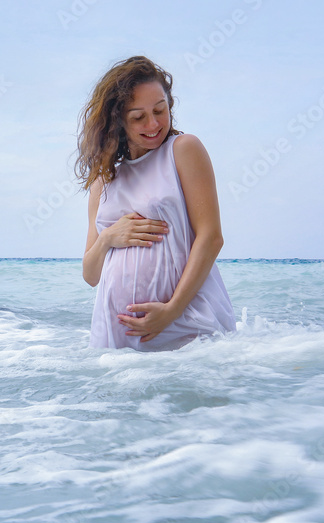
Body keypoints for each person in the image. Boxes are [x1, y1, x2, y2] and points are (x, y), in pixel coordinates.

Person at [77, 55, 236, 351]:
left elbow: (211, 238)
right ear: (117, 121)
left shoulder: (183, 150)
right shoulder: (104, 179)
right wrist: (109, 238)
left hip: (184, 323)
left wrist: (173, 309)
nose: (153, 124)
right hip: (116, 337)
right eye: (138, 117)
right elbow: (90, 275)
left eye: (160, 110)